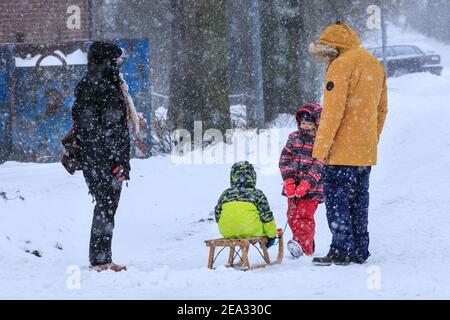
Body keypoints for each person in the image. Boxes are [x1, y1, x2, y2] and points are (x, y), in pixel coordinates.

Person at [309, 22, 388, 266]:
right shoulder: (375, 64)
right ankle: (359, 250)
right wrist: (370, 140)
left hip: (340, 153)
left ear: (332, 48)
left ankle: (341, 249)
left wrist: (320, 150)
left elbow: (332, 113)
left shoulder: (340, 65)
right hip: (364, 153)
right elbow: (382, 110)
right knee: (359, 201)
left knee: (337, 201)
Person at [72, 41, 138, 272]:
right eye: (116, 59)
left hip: (100, 158)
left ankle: (103, 258)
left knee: (106, 206)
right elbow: (107, 129)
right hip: (104, 160)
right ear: (107, 61)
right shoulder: (103, 87)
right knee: (106, 206)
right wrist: (116, 161)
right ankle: (101, 260)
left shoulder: (92, 84)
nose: (119, 63)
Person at [279, 103, 324, 258]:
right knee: (292, 215)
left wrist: (307, 183)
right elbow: (285, 159)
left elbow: (320, 164)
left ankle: (305, 248)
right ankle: (303, 241)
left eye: (309, 124)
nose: (305, 127)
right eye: (303, 123)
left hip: (312, 189)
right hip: (293, 186)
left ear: (316, 124)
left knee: (304, 216)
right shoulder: (293, 138)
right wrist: (288, 180)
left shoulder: (321, 140)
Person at [214, 161, 277, 246]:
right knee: (262, 223)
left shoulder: (225, 194)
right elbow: (266, 217)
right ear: (253, 176)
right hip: (250, 230)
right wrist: (271, 235)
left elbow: (217, 214)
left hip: (227, 231)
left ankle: (233, 228)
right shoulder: (257, 194)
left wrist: (231, 223)